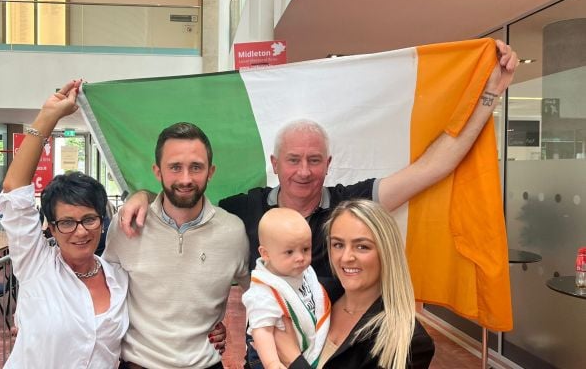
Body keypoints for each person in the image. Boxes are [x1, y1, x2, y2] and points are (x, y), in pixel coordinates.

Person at [119, 40, 518, 367]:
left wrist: (490, 93)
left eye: (314, 160)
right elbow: (185, 198)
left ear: (328, 163)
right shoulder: (244, 210)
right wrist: (142, 196)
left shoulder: (351, 206)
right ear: (275, 164)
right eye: (293, 160)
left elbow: (436, 165)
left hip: (339, 354)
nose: (304, 172)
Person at [0, 80, 129, 368]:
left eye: (89, 219)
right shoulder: (36, 266)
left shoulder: (120, 279)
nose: (80, 231)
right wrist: (49, 115)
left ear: (102, 221)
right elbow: (14, 189)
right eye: (67, 223)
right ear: (51, 227)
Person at [103, 122, 250, 369]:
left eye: (196, 167)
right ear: (158, 171)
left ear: (210, 171)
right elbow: (101, 290)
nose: (185, 178)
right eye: (175, 167)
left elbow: (260, 295)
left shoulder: (233, 231)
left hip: (206, 364)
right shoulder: (127, 224)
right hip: (138, 364)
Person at [278, 199, 434, 368]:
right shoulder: (310, 293)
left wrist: (292, 359)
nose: (346, 257)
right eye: (338, 244)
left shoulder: (410, 341)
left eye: (362, 247)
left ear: (387, 252)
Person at [242, 208, 331, 369]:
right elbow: (261, 331)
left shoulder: (302, 274)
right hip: (267, 355)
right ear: (265, 254)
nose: (300, 258)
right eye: (289, 252)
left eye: (305, 249)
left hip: (296, 351)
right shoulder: (263, 292)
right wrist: (272, 363)